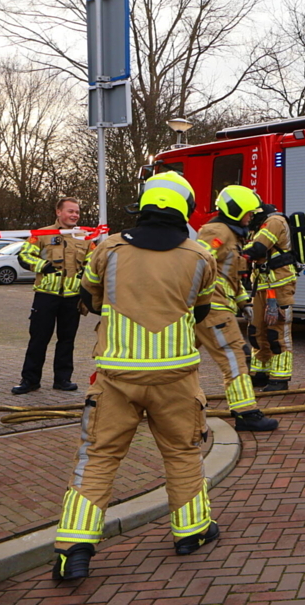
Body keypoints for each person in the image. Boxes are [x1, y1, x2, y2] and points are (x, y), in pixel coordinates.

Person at [52, 172, 220, 581]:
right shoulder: (200, 256)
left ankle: (74, 547)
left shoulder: (108, 249)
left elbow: (88, 298)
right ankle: (192, 532)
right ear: (184, 208)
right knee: (182, 452)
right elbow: (200, 310)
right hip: (176, 379)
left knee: (99, 456)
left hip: (115, 377)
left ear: (144, 205)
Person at [196, 185, 278, 432]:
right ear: (236, 210)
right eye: (248, 213)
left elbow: (228, 276)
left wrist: (244, 302)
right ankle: (246, 413)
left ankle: (162, 403)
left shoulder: (231, 234)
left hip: (211, 306)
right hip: (213, 308)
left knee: (180, 359)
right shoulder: (216, 232)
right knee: (236, 355)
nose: (251, 217)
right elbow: (196, 266)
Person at [13, 197, 95, 394]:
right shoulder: (42, 234)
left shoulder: (85, 236)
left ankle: (63, 379)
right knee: (38, 339)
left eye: (77, 211)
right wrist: (43, 266)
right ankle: (30, 381)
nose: (74, 215)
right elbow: (24, 255)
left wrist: (87, 274)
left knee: (67, 340)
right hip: (46, 295)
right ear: (59, 212)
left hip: (72, 297)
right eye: (70, 211)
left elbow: (94, 260)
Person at [242, 203, 297, 392]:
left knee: (277, 332)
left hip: (278, 286)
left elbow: (257, 248)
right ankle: (260, 373)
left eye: (250, 215)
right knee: (256, 330)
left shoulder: (274, 221)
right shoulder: (260, 226)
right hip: (262, 286)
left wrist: (239, 252)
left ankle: (279, 378)